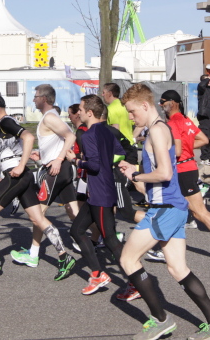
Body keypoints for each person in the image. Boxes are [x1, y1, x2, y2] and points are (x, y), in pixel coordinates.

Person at [119, 83, 210, 340]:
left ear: (145, 105)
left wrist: (136, 175)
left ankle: (161, 320)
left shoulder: (157, 131)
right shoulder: (159, 129)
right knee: (178, 269)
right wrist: (135, 173)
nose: (131, 117)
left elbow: (166, 173)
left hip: (165, 209)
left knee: (128, 260)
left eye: (132, 111)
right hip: (174, 207)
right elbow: (156, 179)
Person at [0, 94, 75, 280]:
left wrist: (21, 165)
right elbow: (3, 150)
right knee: (37, 218)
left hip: (15, 175)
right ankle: (64, 257)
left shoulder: (6, 122)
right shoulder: (0, 125)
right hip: (22, 176)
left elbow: (28, 137)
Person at [157, 90, 210, 269]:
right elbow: (203, 139)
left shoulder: (173, 123)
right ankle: (165, 248)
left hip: (183, 171)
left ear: (173, 103)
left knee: (199, 212)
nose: (160, 104)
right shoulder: (185, 120)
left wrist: (161, 151)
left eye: (163, 101)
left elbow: (177, 151)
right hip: (186, 168)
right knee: (173, 209)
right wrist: (187, 148)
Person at [64, 94, 130, 296]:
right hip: (100, 191)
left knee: (110, 239)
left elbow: (93, 165)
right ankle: (97, 274)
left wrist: (76, 161)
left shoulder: (89, 135)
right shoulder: (107, 130)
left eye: (81, 110)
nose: (79, 113)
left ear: (90, 112)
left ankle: (135, 278)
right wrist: (106, 161)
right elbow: (119, 153)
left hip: (100, 193)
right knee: (76, 230)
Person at [11, 84, 79, 268]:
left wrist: (58, 159)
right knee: (73, 211)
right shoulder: (49, 116)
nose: (33, 99)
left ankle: (33, 255)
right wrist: (43, 156)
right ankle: (101, 237)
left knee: (38, 214)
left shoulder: (49, 117)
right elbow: (57, 141)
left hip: (57, 171)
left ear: (45, 98)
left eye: (36, 96)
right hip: (60, 169)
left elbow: (71, 137)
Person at [197, 75, 210, 163]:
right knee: (205, 136)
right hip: (204, 117)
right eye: (208, 80)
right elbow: (201, 85)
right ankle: (205, 157)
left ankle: (209, 156)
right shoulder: (202, 90)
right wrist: (207, 78)